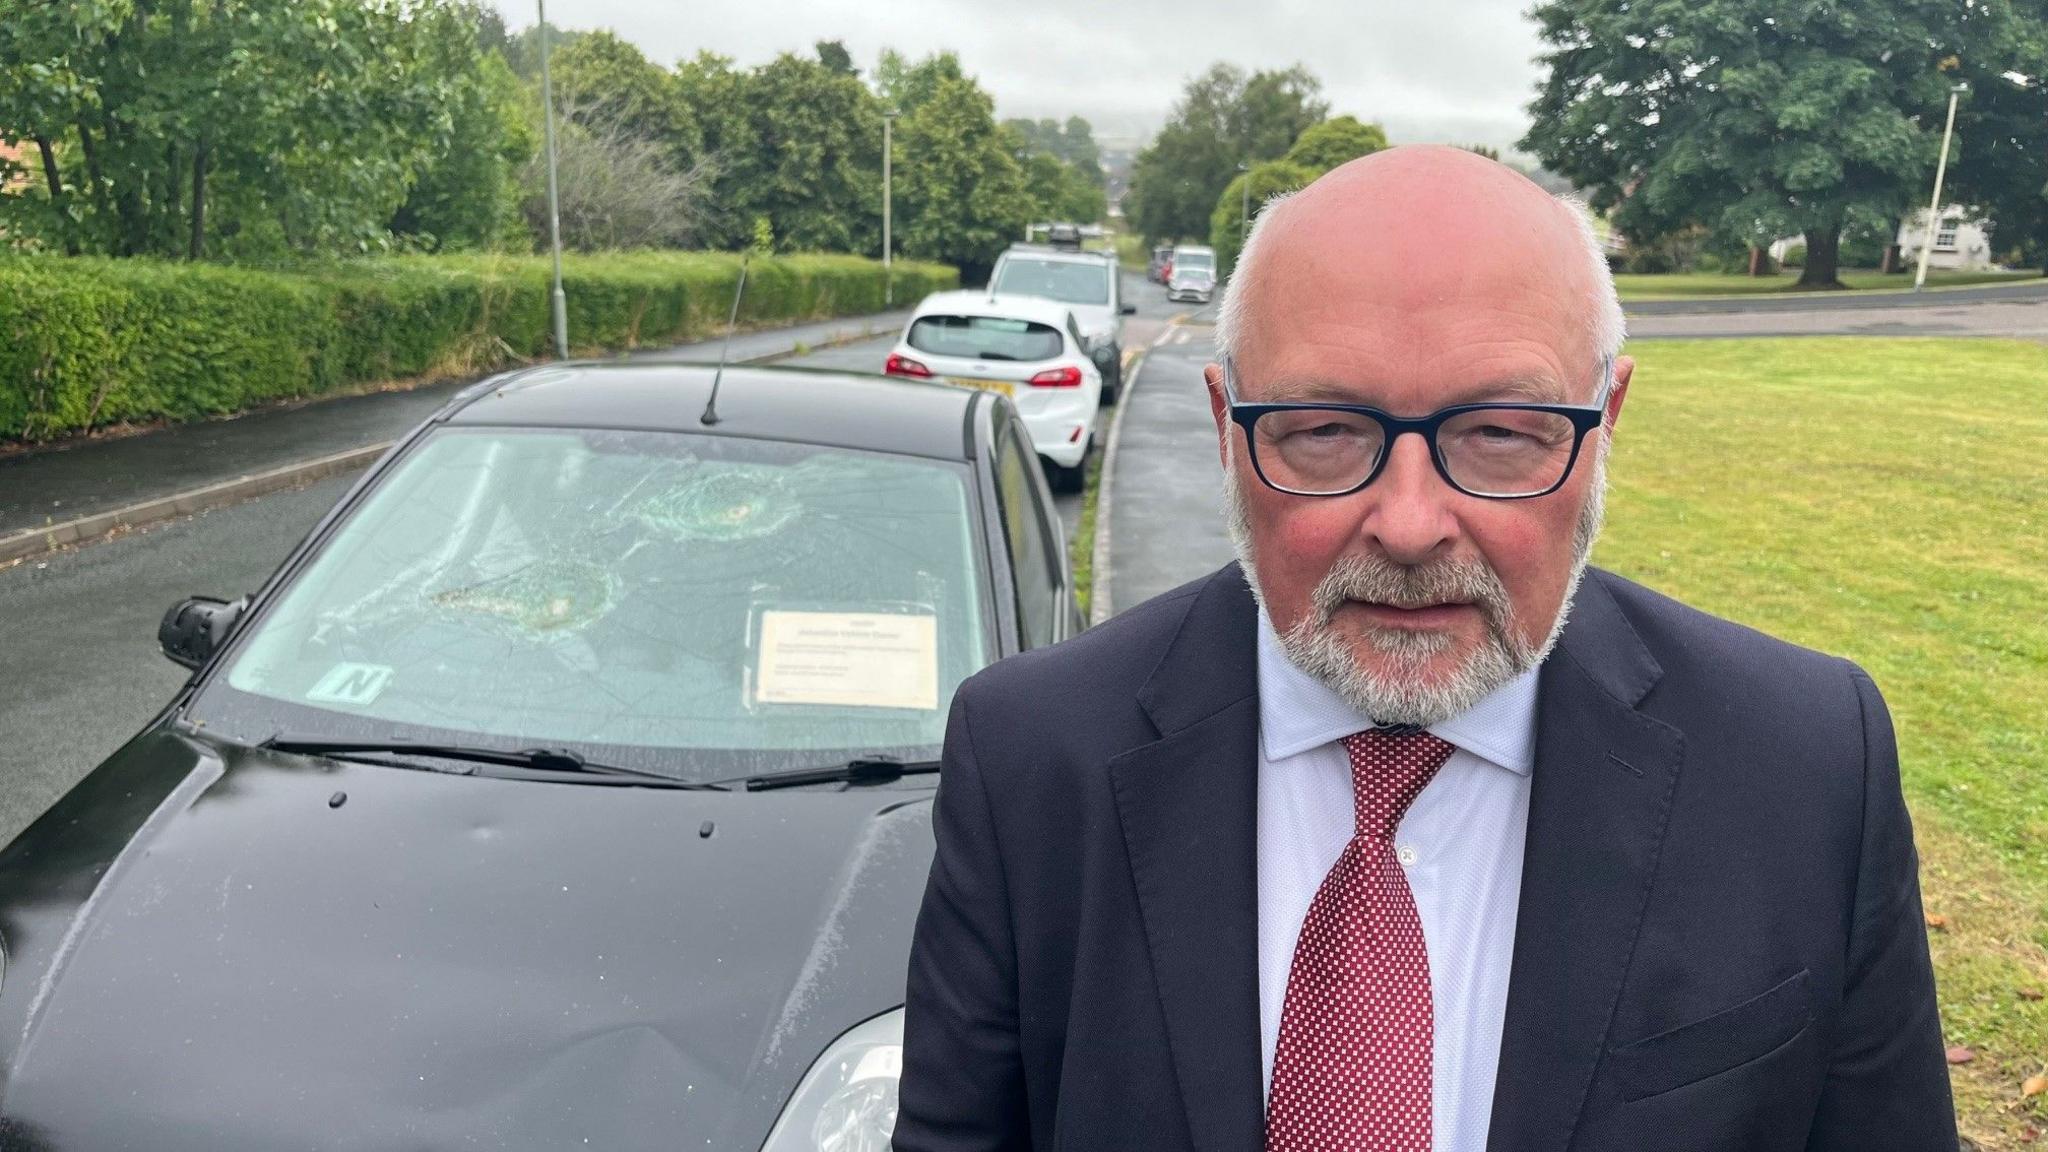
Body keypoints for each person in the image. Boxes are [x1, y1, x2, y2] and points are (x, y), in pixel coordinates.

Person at [894, 146, 1954, 1151]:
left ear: (1603, 420)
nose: (1408, 524)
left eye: (1499, 433)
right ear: (1226, 429)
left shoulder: (1804, 765)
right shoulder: (1031, 759)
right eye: (1322, 431)